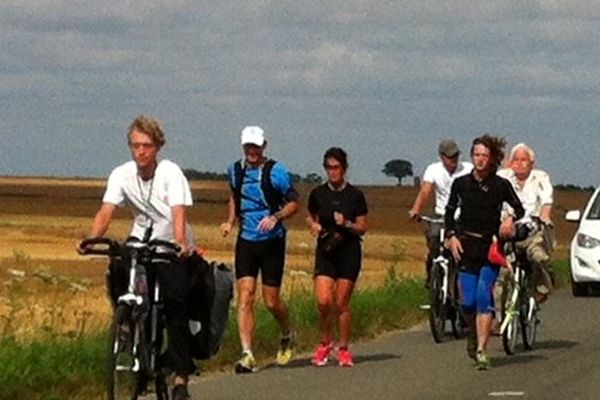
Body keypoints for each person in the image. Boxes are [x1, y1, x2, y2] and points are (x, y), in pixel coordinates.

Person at [78, 115, 196, 400]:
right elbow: (106, 210)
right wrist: (92, 237)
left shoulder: (170, 172)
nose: (140, 151)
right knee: (119, 264)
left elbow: (178, 211)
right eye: (135, 145)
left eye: (146, 145)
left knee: (175, 302)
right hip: (141, 236)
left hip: (169, 240)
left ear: (157, 147)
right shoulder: (121, 174)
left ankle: (180, 375)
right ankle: (127, 323)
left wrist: (180, 242)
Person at [220, 126, 299, 373]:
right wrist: (230, 221)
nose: (252, 151)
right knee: (245, 295)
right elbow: (234, 197)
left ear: (264, 146)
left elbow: (294, 202)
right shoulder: (235, 171)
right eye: (248, 147)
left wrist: (276, 217)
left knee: (271, 301)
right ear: (243, 147)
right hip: (246, 240)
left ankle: (287, 332)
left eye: (256, 146)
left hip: (272, 240)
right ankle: (247, 354)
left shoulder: (277, 172)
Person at [445, 134, 524, 370]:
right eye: (476, 155)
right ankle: (471, 331)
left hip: (490, 247)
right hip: (466, 245)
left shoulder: (501, 185)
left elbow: (519, 208)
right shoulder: (461, 184)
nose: (480, 160)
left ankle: (481, 350)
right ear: (472, 157)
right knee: (467, 302)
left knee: (483, 297)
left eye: (484, 156)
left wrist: (509, 219)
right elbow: (449, 214)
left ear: (492, 160)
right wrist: (451, 237)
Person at [306, 148, 368, 367]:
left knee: (341, 302)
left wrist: (347, 224)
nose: (332, 172)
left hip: (348, 251)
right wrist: (313, 226)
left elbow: (363, 227)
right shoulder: (318, 194)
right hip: (326, 251)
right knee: (323, 301)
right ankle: (325, 342)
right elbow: (310, 216)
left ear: (344, 168)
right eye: (328, 167)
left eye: (336, 167)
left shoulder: (355, 196)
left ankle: (343, 348)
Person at [409, 140, 473, 284]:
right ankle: (433, 270)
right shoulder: (433, 170)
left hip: (461, 216)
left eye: (456, 156)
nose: (453, 161)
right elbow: (425, 191)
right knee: (434, 235)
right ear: (442, 157)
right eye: (450, 157)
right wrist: (416, 209)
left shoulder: (468, 169)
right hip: (441, 214)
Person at [497, 143, 555, 303]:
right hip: (506, 232)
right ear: (510, 162)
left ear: (531, 163)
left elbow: (546, 201)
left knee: (538, 257)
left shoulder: (540, 177)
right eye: (515, 159)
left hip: (532, 231)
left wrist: (544, 216)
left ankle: (542, 288)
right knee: (502, 274)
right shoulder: (502, 177)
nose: (519, 163)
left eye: (524, 159)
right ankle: (500, 317)